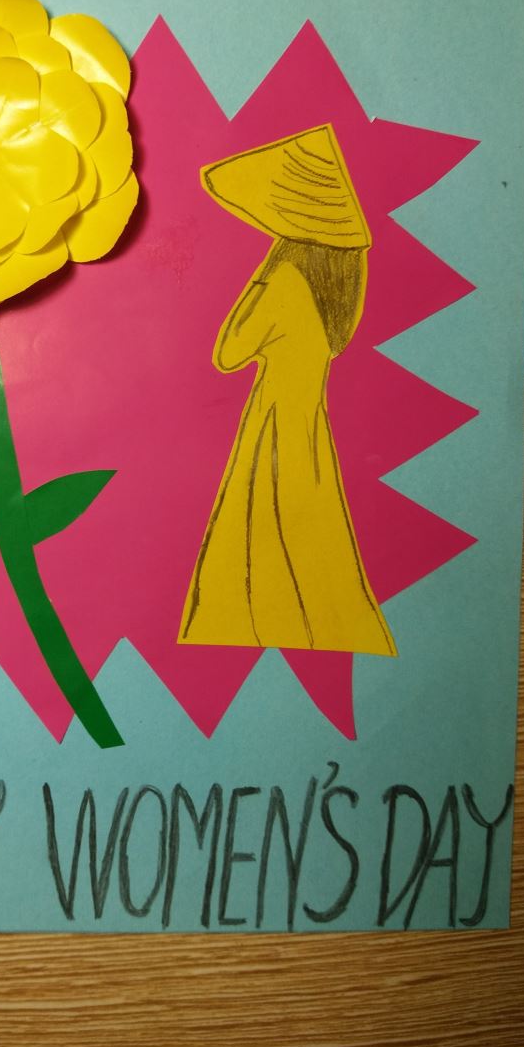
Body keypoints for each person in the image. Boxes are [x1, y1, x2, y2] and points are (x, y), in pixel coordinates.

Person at [179, 125, 396, 658]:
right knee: (311, 532)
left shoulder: (285, 282)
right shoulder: (339, 284)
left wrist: (261, 275)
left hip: (273, 420)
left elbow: (229, 351)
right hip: (308, 421)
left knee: (260, 533)